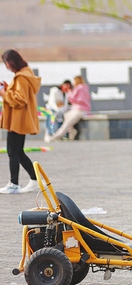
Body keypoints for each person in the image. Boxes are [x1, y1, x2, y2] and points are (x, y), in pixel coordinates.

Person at [0, 50, 40, 194]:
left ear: (11, 62)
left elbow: (19, 99)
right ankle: (34, 179)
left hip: (18, 120)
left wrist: (4, 93)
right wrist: (7, 88)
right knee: (18, 151)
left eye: (6, 63)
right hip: (20, 119)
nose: (6, 67)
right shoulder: (26, 74)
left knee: (13, 151)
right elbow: (19, 94)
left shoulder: (21, 78)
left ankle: (14, 183)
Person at [46, 75, 91, 142]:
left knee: (67, 122)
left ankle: (58, 135)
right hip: (79, 109)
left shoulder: (79, 88)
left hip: (79, 109)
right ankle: (71, 133)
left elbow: (73, 99)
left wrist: (69, 92)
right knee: (66, 116)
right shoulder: (84, 88)